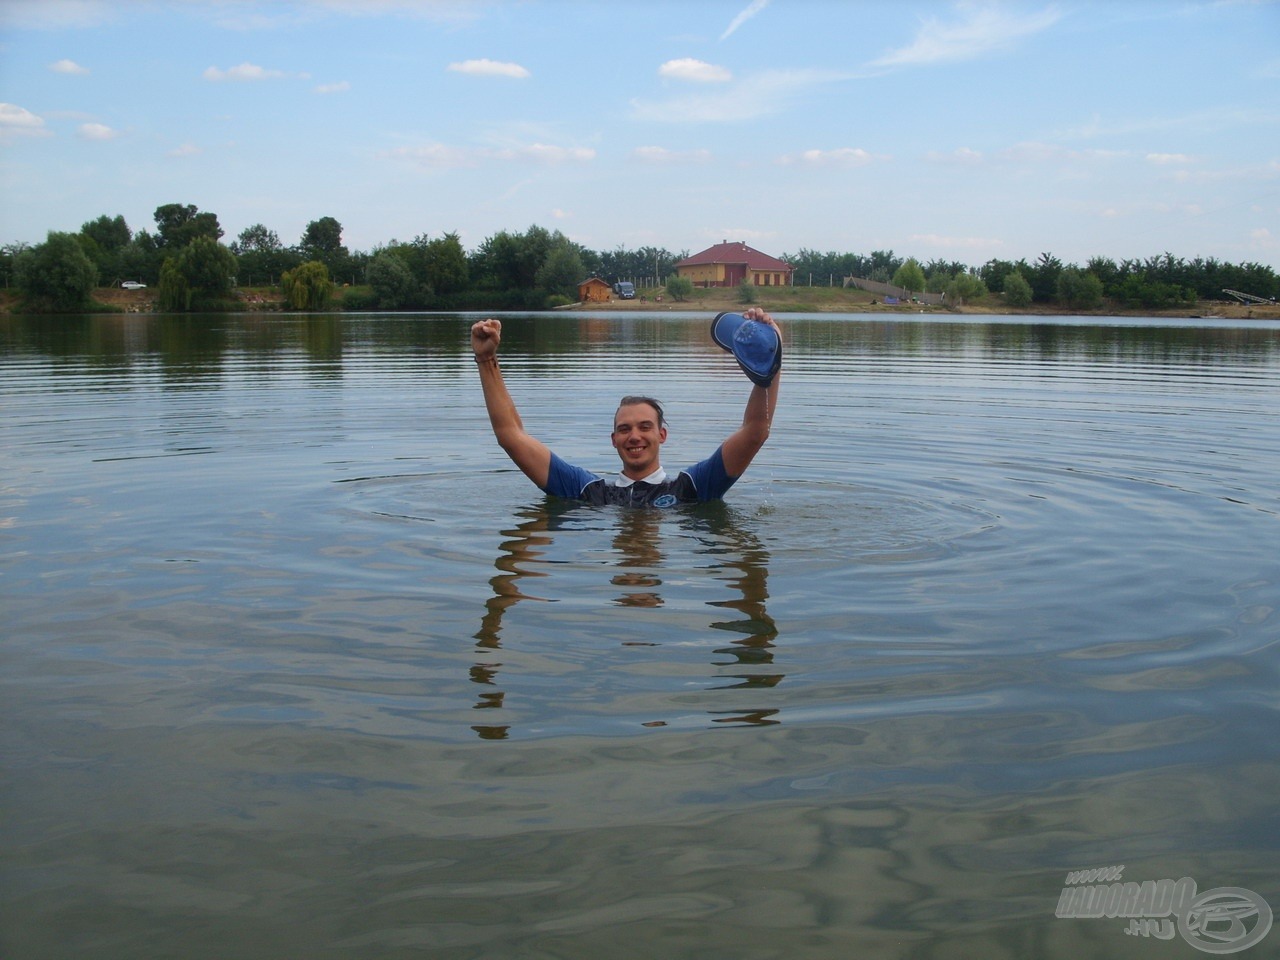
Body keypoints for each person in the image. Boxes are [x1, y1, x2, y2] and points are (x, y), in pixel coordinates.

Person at [470, 308, 781, 508]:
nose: (634, 436)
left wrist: (771, 355)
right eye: (624, 429)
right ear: (613, 440)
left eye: (645, 427)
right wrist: (486, 360)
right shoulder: (591, 493)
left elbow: (755, 431)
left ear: (662, 435)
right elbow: (511, 435)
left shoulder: (692, 488)